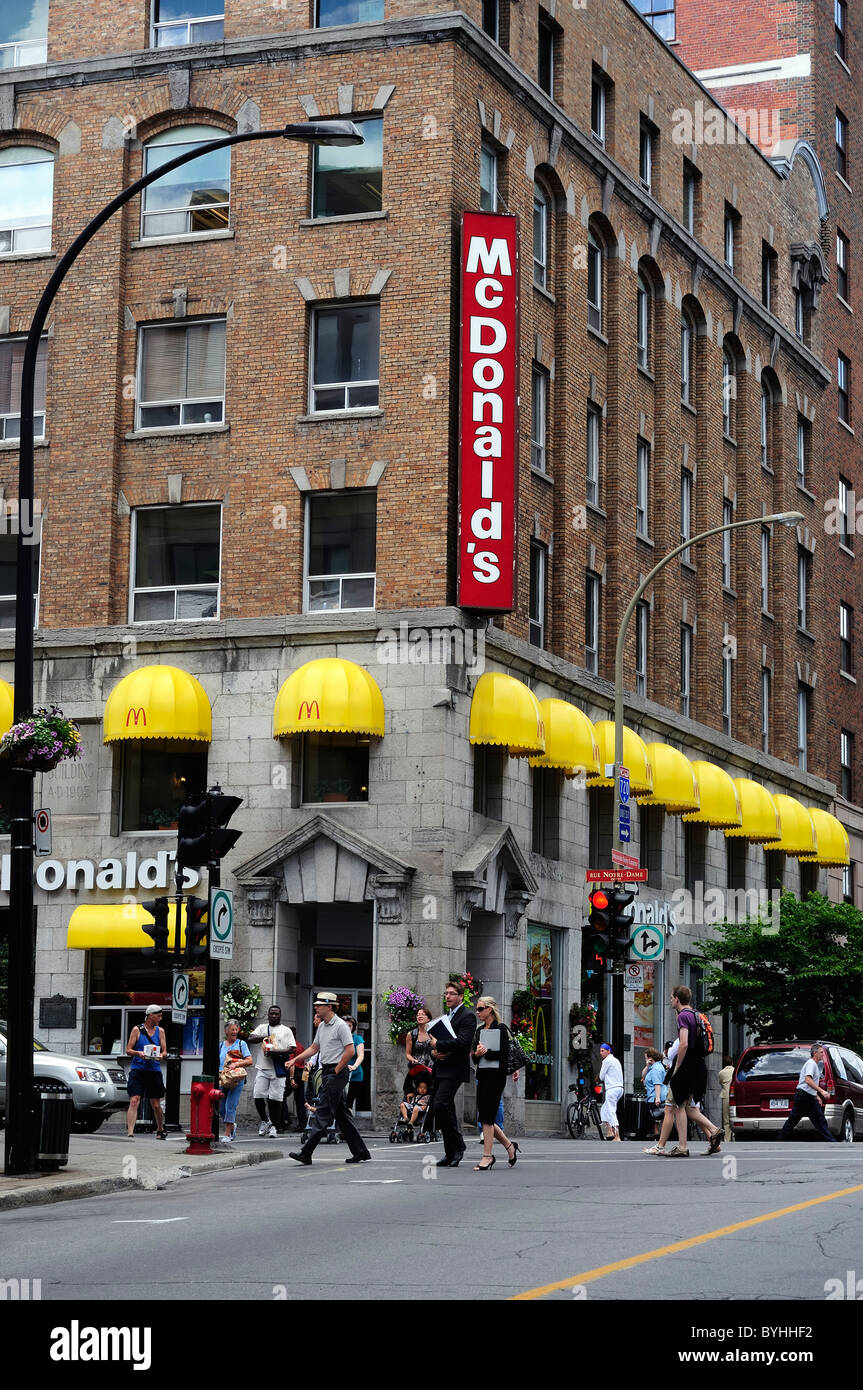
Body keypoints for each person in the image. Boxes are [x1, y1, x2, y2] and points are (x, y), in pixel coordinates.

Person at [288, 993, 371, 1165]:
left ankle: (306, 1152)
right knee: (342, 1115)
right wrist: (296, 1059)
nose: (316, 1007)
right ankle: (361, 1152)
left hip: (336, 1072)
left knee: (324, 1111)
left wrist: (337, 1070)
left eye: (319, 1005)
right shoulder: (322, 1026)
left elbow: (350, 1051)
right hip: (327, 1071)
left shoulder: (340, 1025)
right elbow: (314, 1047)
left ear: (330, 1006)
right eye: (316, 1004)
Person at [644, 986, 722, 1157]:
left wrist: (677, 1067)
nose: (670, 1000)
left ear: (677, 999)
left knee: (677, 1105)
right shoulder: (695, 1014)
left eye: (672, 997)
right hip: (697, 1066)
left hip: (686, 1067)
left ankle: (684, 1145)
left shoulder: (683, 1017)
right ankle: (709, 1133)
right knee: (685, 1106)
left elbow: (684, 1043)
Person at [431, 981, 478, 1167]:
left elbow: (464, 1042)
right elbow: (435, 1042)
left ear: (460, 996)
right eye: (446, 993)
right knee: (442, 1108)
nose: (447, 996)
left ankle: (458, 1145)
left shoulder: (467, 1016)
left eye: (451, 993)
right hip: (441, 1067)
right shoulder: (446, 1017)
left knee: (441, 1103)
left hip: (455, 1069)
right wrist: (434, 1052)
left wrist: (439, 1046)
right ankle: (450, 1151)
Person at [471, 996, 519, 1171]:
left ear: (489, 1009)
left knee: (487, 1116)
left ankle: (487, 1156)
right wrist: (477, 1053)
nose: (478, 1012)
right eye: (477, 1009)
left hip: (496, 1077)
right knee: (484, 1116)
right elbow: (474, 1056)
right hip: (482, 1074)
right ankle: (509, 1146)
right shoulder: (479, 1030)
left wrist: (486, 1052)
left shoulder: (501, 1029)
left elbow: (504, 1056)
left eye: (480, 1009)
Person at [247, 1005, 296, 1137]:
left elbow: (292, 1048)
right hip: (263, 1067)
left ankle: (275, 1125)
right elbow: (250, 1038)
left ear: (280, 1015)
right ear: (268, 1015)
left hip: (278, 1068)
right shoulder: (262, 1027)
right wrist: (264, 1037)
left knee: (276, 1099)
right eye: (272, 1014)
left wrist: (276, 1052)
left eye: (276, 1014)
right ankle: (265, 1121)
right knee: (258, 1096)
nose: (274, 1016)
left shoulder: (286, 1030)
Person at [777, 1044, 839, 1142]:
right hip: (804, 1097)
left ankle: (831, 1141)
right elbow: (808, 1080)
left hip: (808, 1097)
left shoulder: (813, 1064)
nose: (823, 1054)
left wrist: (816, 1096)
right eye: (821, 1052)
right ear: (815, 1053)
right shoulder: (811, 1064)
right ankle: (779, 1140)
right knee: (794, 1120)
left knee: (819, 1120)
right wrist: (822, 1091)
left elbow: (810, 1084)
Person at [125, 1005, 168, 1139]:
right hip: (138, 1069)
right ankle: (130, 1132)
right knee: (134, 1100)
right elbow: (128, 1050)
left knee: (155, 1104)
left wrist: (162, 1056)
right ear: (150, 1015)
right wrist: (139, 1053)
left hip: (154, 1070)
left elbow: (165, 1051)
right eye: (158, 1016)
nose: (160, 1018)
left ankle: (160, 1129)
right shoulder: (137, 1030)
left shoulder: (160, 1031)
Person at [218, 1018, 253, 1142]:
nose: (234, 1031)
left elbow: (249, 1060)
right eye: (232, 1029)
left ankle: (227, 1134)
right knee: (221, 1107)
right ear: (226, 1031)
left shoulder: (241, 1044)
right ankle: (232, 1125)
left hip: (236, 1079)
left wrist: (236, 1065)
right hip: (223, 1078)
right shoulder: (221, 1045)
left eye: (236, 1029)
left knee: (230, 1106)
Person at [599, 1042, 624, 1141]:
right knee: (605, 1109)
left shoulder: (606, 1061)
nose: (601, 1053)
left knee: (611, 1111)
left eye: (602, 1051)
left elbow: (601, 1076)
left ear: (608, 1051)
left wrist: (601, 1077)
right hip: (619, 1088)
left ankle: (617, 1135)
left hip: (612, 1089)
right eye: (600, 1051)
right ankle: (610, 1132)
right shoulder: (616, 1060)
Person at [404, 1006, 435, 1087]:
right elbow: (408, 1054)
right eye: (418, 1015)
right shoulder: (411, 1034)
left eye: (423, 1014)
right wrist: (412, 1060)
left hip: (431, 1070)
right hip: (417, 1069)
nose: (420, 1016)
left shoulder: (433, 1033)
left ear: (428, 1019)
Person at [642, 1047, 668, 1139]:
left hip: (654, 1098)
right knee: (655, 1119)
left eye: (646, 1058)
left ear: (650, 1058)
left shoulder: (655, 1069)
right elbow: (643, 1076)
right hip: (654, 1097)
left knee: (648, 1121)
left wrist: (657, 1098)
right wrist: (647, 1066)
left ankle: (639, 1137)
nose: (645, 1059)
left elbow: (657, 1084)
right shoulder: (654, 1067)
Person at [345, 1016, 365, 1115]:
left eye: (349, 1025)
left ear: (353, 1027)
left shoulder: (357, 1039)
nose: (347, 1027)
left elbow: (361, 1055)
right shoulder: (336, 1039)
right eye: (345, 1025)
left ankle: (345, 1127)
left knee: (348, 1103)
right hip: (340, 1074)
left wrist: (354, 1066)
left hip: (355, 1075)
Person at [718, 1053, 735, 1142]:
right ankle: (735, 1137)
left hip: (725, 1096)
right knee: (735, 1116)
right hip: (734, 1096)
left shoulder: (721, 1073)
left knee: (726, 1119)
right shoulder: (735, 1071)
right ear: (732, 1062)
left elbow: (721, 1083)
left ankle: (727, 1139)